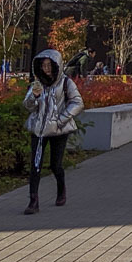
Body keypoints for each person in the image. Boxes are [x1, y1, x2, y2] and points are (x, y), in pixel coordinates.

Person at [22, 48, 84, 214]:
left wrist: (61, 120)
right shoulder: (38, 83)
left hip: (58, 130)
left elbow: (77, 103)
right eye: (43, 65)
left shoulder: (66, 83)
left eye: (49, 65)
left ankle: (61, 188)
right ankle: (33, 201)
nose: (46, 69)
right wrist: (34, 97)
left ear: (57, 65)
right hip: (39, 130)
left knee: (55, 165)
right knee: (36, 165)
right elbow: (28, 106)